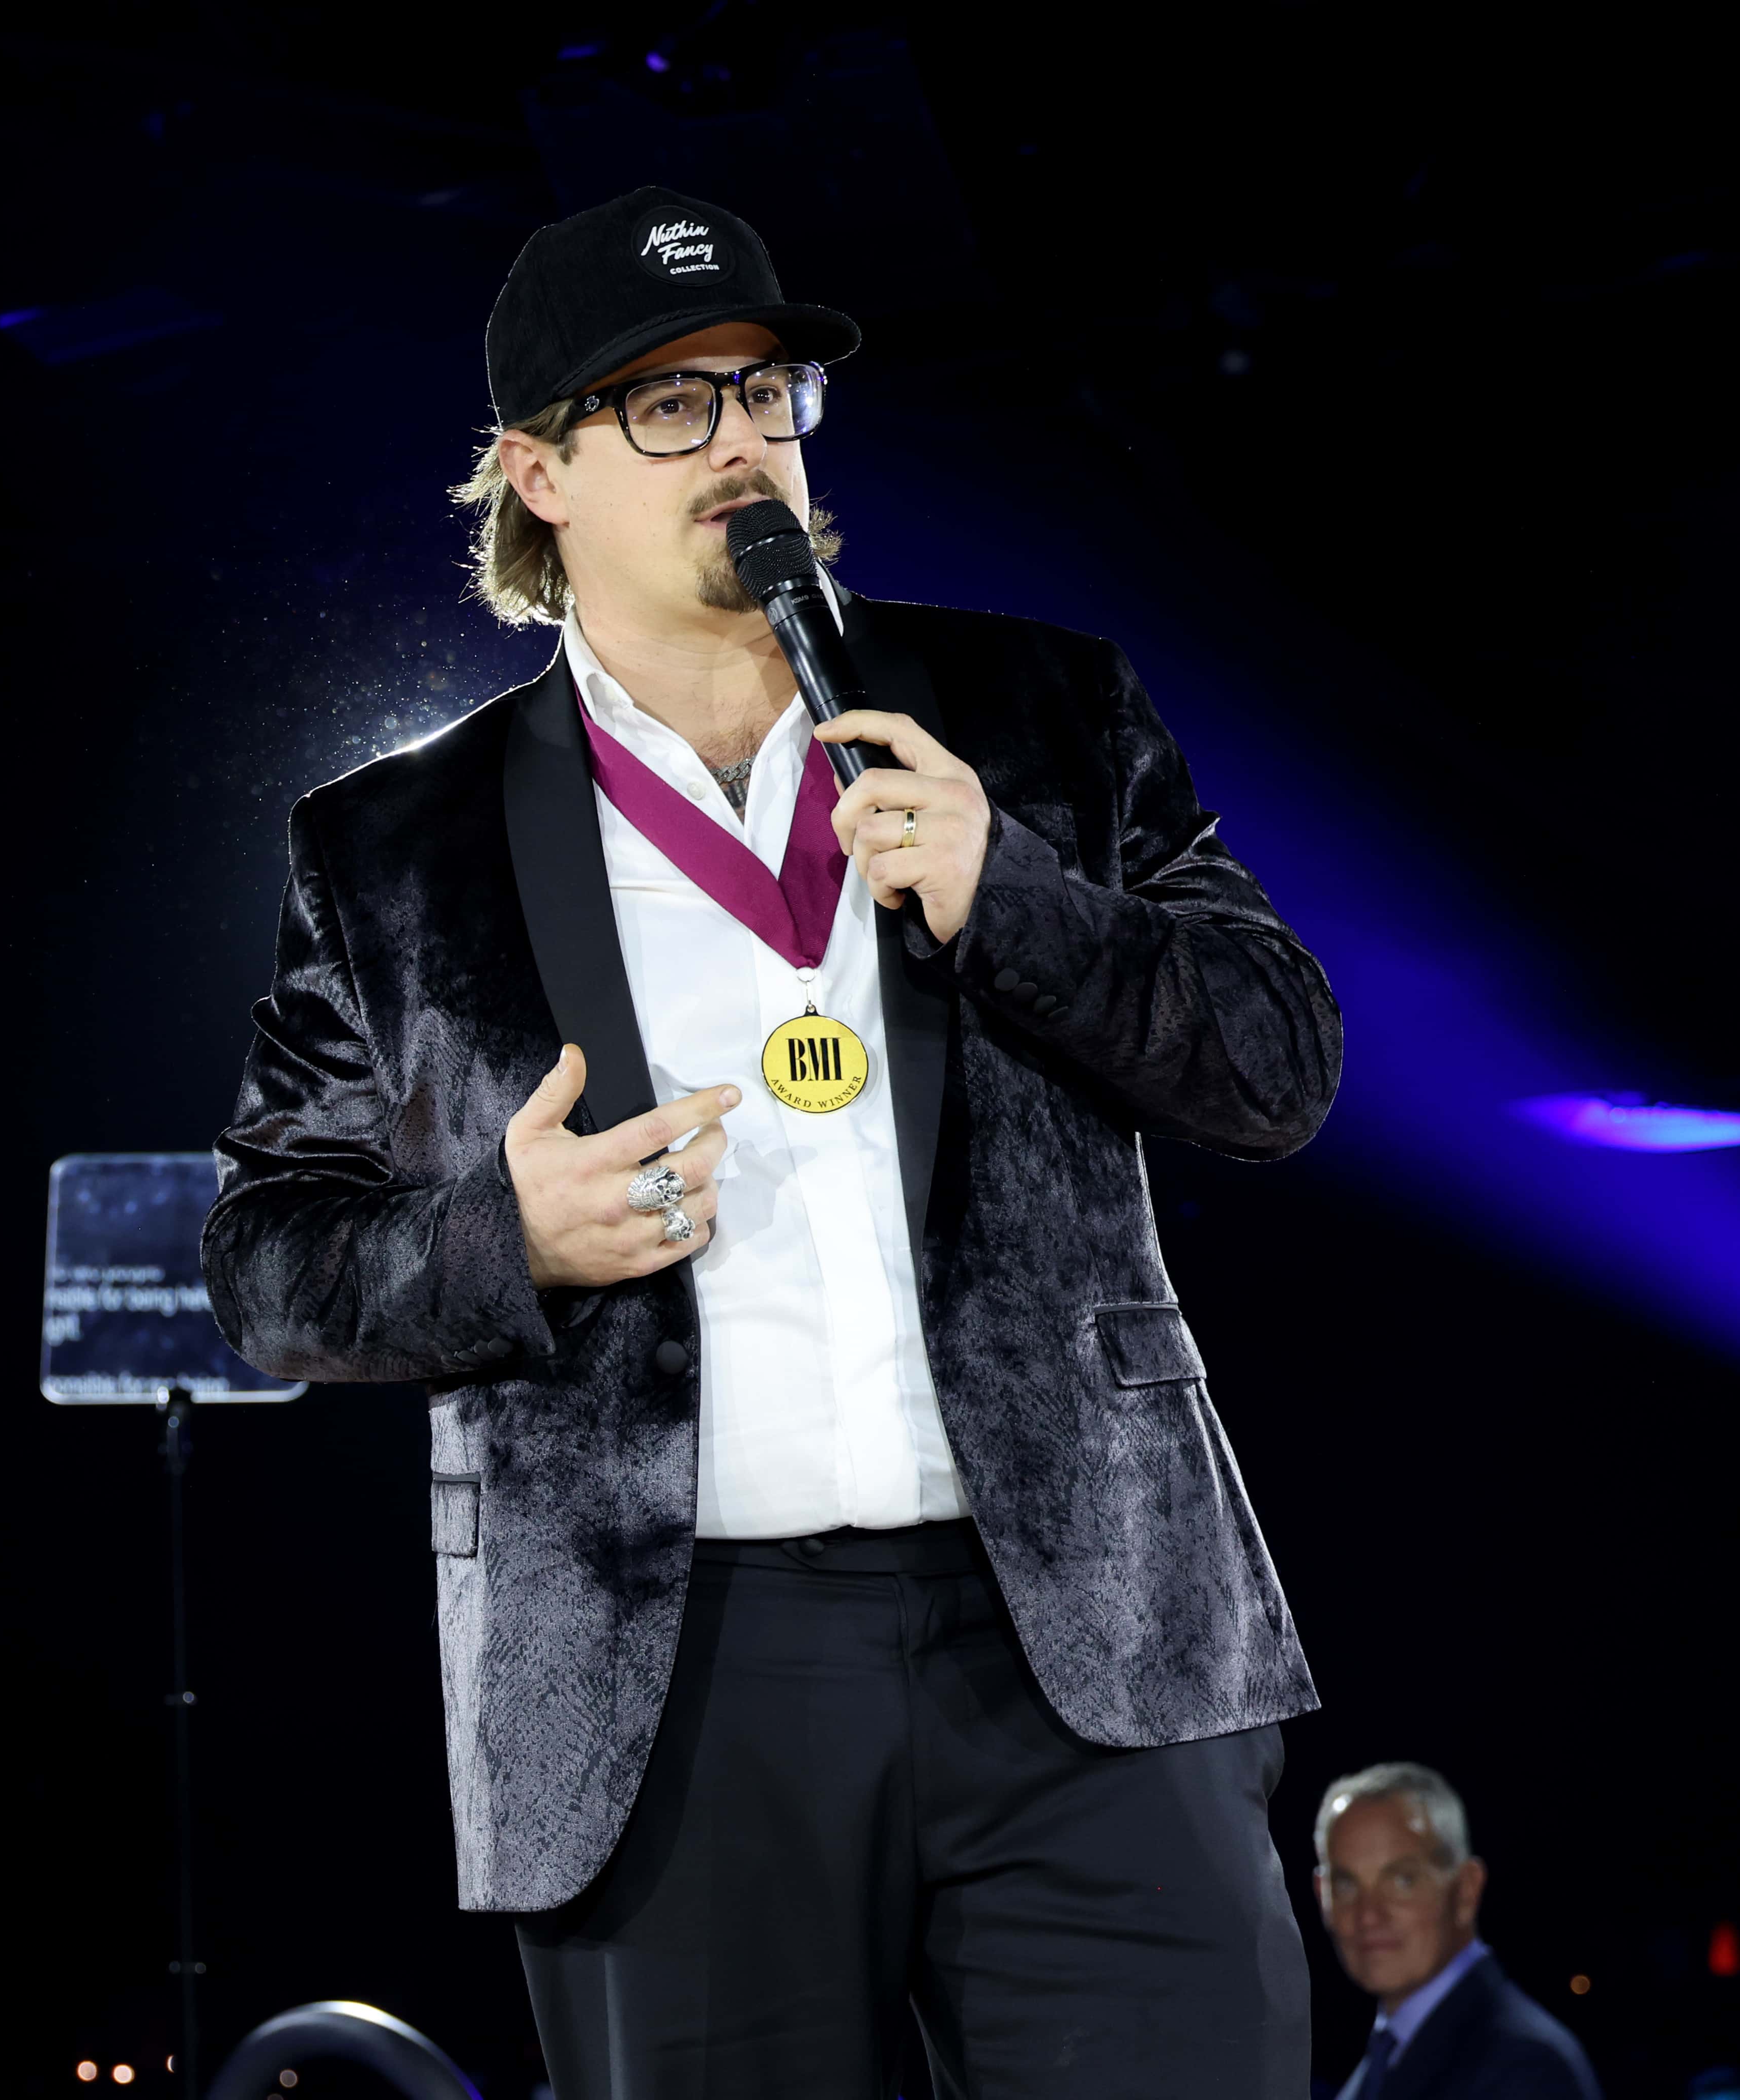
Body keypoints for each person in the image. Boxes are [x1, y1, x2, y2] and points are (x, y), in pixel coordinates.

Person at [200, 185, 1343, 2097]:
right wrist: (510, 1240)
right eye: (666, 405)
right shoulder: (395, 845)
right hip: (674, 1682)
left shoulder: (1045, 713)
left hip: (1083, 1638)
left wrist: (1017, 897)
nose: (740, 439)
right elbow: (268, 1261)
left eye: (767, 390)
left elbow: (1277, 1066)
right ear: (535, 474)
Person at [1313, 1763, 1599, 2100]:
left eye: (1403, 1879)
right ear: (1322, 1894)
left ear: (1466, 1889)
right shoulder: (1386, 2056)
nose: (1369, 1915)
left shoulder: (1526, 2067)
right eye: (1347, 1885)